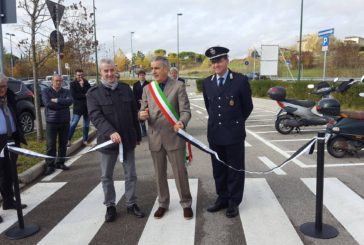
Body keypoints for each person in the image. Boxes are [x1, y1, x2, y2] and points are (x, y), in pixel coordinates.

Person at [87, 58, 145, 222]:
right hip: (108, 141)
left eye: (112, 70)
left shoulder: (126, 89)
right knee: (106, 176)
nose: (110, 74)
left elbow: (134, 113)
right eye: (106, 71)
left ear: (115, 70)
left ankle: (131, 203)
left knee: (131, 174)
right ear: (101, 73)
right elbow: (95, 117)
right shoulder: (93, 93)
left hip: (127, 140)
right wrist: (110, 131)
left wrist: (138, 135)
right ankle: (110, 206)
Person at [139, 56, 193, 220]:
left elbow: (185, 111)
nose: (153, 71)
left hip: (174, 137)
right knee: (159, 173)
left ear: (166, 69)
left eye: (156, 68)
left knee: (179, 172)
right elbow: (143, 110)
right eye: (152, 68)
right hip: (155, 138)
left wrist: (182, 122)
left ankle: (186, 203)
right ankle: (163, 203)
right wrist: (141, 115)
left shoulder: (178, 86)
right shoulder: (148, 89)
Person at [202, 46, 253, 218]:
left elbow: (247, 107)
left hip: (234, 134)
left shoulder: (240, 80)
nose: (216, 64)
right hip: (215, 133)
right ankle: (222, 198)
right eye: (213, 62)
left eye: (219, 60)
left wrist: (234, 123)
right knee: (219, 169)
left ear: (227, 60)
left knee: (235, 169)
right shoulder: (207, 82)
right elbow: (209, 107)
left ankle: (233, 202)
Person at [0, 74, 27, 223]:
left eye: (4, 86)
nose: (2, 89)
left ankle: (9, 201)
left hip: (11, 139)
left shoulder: (9, 97)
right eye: (0, 87)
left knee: (9, 173)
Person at [42, 74, 73, 175]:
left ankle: (60, 162)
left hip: (64, 121)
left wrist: (58, 100)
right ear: (52, 81)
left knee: (63, 144)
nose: (58, 83)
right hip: (51, 121)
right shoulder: (46, 91)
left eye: (60, 81)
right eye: (56, 81)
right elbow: (48, 104)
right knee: (51, 145)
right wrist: (62, 105)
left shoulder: (66, 91)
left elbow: (70, 101)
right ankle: (50, 165)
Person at [68, 69, 92, 146]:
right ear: (75, 75)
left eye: (81, 75)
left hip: (87, 107)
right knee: (73, 124)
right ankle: (68, 139)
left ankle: (85, 140)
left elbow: (90, 92)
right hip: (78, 108)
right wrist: (84, 94)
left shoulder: (86, 83)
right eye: (78, 75)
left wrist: (83, 86)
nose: (80, 76)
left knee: (86, 125)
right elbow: (74, 96)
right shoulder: (72, 84)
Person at [132, 70, 149, 137]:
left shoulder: (148, 84)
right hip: (138, 103)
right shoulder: (135, 84)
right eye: (140, 75)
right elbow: (134, 94)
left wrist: (144, 100)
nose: (142, 76)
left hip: (147, 103)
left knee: (148, 117)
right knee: (140, 118)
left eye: (143, 75)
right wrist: (138, 101)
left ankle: (151, 131)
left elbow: (150, 94)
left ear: (145, 75)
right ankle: (143, 132)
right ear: (138, 76)